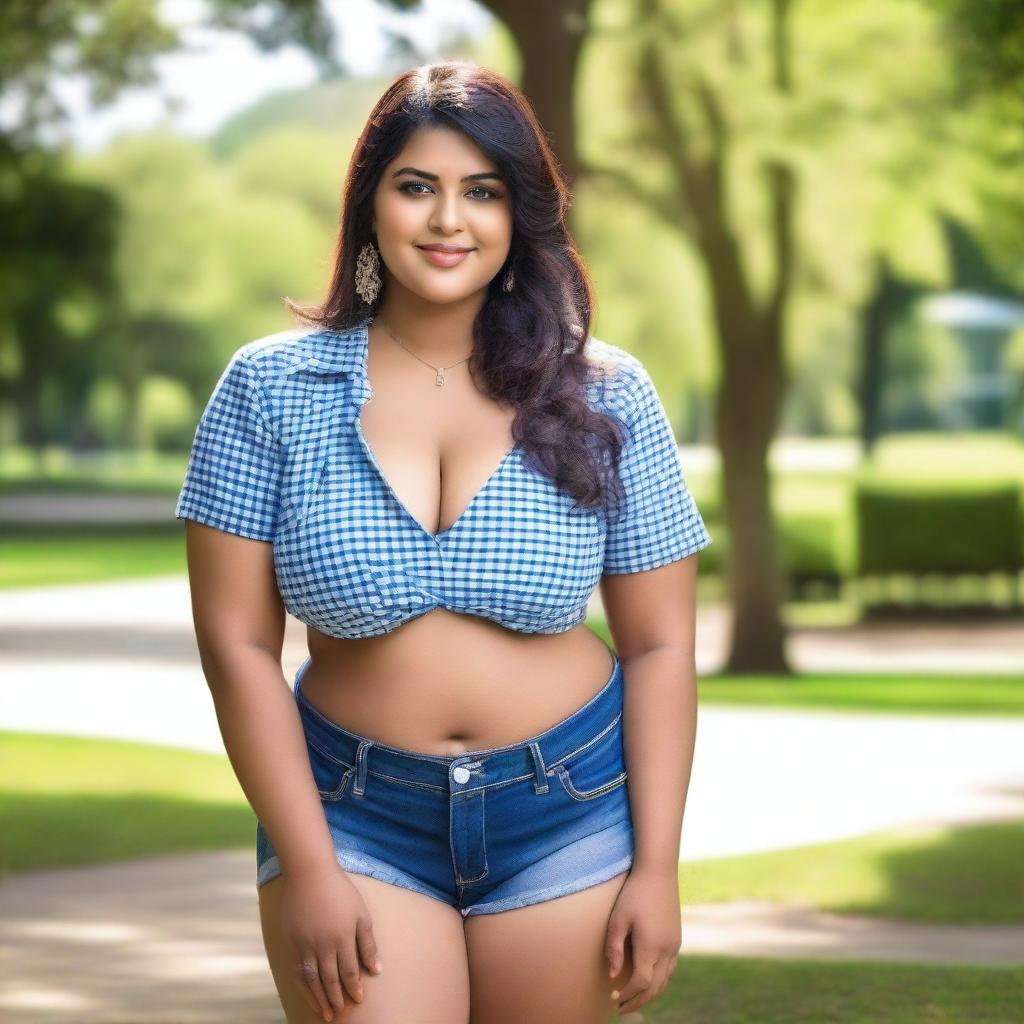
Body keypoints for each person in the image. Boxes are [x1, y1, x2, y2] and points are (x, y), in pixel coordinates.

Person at [175, 59, 712, 1024]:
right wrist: (308, 866)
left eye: (482, 192)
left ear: (521, 214)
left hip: (571, 810)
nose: (447, 221)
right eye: (416, 186)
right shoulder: (267, 391)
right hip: (350, 815)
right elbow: (237, 648)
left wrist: (659, 869)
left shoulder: (605, 392)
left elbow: (663, 644)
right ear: (370, 201)